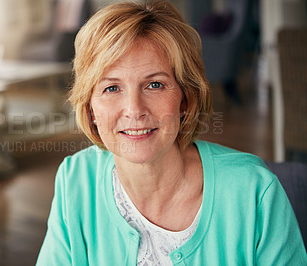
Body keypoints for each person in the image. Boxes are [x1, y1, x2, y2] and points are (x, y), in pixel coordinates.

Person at [36, 1, 307, 265]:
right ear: (91, 108)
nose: (134, 110)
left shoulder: (254, 191)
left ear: (185, 99)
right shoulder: (74, 180)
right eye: (112, 88)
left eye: (154, 84)